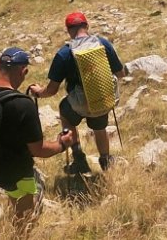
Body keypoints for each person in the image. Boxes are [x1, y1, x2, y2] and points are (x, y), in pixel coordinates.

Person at [0, 47, 78, 232]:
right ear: (23, 71)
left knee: (14, 195)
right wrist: (62, 143)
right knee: (25, 216)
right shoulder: (22, 105)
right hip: (15, 169)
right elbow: (39, 150)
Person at [33, 12, 124, 174]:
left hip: (78, 102)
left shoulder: (64, 53)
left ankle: (78, 157)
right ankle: (106, 160)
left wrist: (39, 92)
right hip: (101, 98)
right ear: (86, 26)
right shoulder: (103, 43)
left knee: (64, 110)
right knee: (99, 127)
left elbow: (52, 90)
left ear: (68, 30)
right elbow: (120, 73)